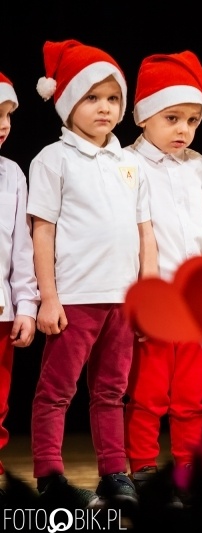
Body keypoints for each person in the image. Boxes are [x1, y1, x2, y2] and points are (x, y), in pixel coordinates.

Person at [27, 39, 157, 508]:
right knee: (56, 392)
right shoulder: (52, 159)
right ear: (67, 103)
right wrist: (49, 297)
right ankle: (50, 476)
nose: (104, 108)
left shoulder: (130, 162)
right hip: (76, 297)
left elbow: (145, 232)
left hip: (122, 298)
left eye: (112, 98)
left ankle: (114, 474)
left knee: (111, 391)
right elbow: (42, 233)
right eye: (91, 97)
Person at [123, 50, 202, 496]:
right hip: (155, 296)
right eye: (172, 118)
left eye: (193, 121)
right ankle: (142, 465)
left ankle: (186, 464)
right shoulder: (126, 165)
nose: (184, 130)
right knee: (147, 390)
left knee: (192, 394)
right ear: (143, 118)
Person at [0, 72, 39, 484]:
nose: (3, 124)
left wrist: (27, 305)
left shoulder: (11, 173)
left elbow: (21, 249)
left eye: (7, 114)